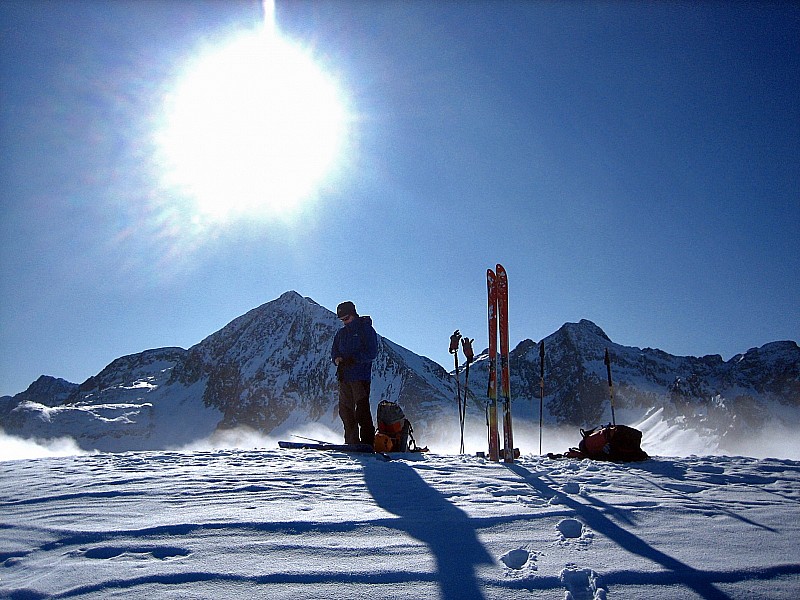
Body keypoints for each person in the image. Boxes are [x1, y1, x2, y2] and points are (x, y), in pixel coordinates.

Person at [331, 301, 378, 446]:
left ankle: (367, 443)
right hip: (344, 377)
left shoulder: (366, 330)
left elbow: (372, 352)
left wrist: (354, 359)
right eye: (342, 320)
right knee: (345, 411)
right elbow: (334, 351)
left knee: (361, 411)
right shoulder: (341, 333)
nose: (344, 322)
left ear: (353, 314)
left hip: (360, 377)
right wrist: (337, 359)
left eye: (346, 318)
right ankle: (351, 441)